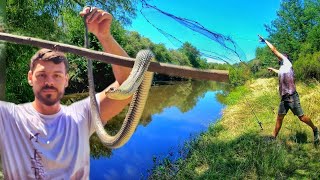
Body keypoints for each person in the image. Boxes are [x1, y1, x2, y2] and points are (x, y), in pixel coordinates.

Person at [0, 7, 132, 179]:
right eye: (42, 75)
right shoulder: (7, 116)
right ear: (30, 78)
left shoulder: (82, 115)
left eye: (57, 75)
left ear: (66, 80)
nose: (49, 82)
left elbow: (129, 85)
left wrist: (104, 36)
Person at [258, 35, 319, 144]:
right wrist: (272, 69)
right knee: (279, 117)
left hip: (292, 97)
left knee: (302, 117)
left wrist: (265, 41)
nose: (280, 57)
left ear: (286, 58)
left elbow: (274, 50)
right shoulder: (282, 68)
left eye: (282, 56)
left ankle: (315, 129)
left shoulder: (287, 62)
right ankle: (273, 137)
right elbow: (279, 72)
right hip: (284, 98)